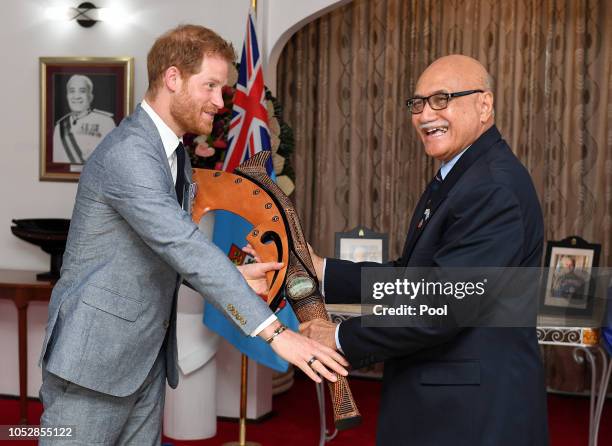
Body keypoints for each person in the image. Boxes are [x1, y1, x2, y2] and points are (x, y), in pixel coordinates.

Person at [39, 25, 347, 445]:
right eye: (211, 86)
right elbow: (180, 244)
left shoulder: (175, 154)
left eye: (223, 89)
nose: (221, 103)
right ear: (173, 78)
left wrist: (236, 275)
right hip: (94, 360)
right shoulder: (130, 153)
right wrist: (277, 333)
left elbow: (165, 247)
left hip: (144, 356)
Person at [301, 55, 549, 445]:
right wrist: (323, 270)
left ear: (485, 105)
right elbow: (415, 279)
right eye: (417, 103)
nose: (424, 114)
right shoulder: (459, 175)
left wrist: (339, 337)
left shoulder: (492, 186)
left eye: (442, 98)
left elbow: (442, 306)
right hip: (444, 397)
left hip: (470, 412)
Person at [52, 74, 116, 164]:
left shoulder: (106, 122)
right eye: (72, 91)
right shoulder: (59, 127)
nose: (76, 96)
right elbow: (57, 162)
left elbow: (113, 160)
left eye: (82, 91)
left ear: (90, 96)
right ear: (67, 96)